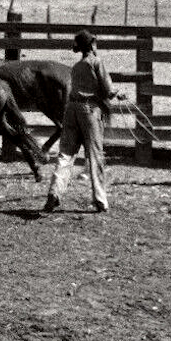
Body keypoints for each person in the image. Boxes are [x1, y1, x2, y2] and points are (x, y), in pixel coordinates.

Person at [42, 29, 120, 213]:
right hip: (89, 112)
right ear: (92, 45)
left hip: (71, 110)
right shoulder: (96, 62)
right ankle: (100, 200)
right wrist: (118, 93)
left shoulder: (76, 67)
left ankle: (54, 192)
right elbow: (108, 90)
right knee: (95, 156)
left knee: (65, 155)